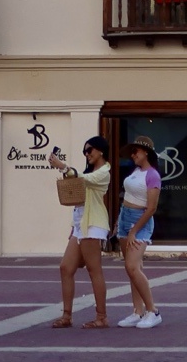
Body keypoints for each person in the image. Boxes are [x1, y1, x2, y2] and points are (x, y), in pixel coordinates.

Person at [51, 136, 111, 328]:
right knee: (65, 267)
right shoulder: (89, 171)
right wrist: (73, 227)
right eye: (84, 151)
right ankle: (67, 316)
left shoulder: (104, 171)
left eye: (90, 150)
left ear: (101, 150)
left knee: (94, 270)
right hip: (80, 225)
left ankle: (101, 317)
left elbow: (84, 179)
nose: (87, 154)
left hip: (93, 224)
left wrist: (63, 166)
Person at [116, 136, 163, 328]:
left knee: (132, 266)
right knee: (131, 269)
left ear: (146, 153)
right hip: (124, 218)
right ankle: (137, 311)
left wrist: (134, 230)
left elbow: (151, 208)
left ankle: (153, 310)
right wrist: (120, 222)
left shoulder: (153, 175)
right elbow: (127, 195)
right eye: (132, 152)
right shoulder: (136, 171)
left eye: (136, 151)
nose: (133, 155)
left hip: (139, 221)